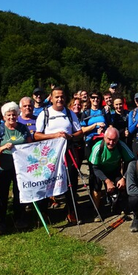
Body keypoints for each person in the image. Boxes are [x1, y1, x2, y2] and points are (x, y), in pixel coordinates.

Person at [34, 86, 83, 222]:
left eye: (62, 96)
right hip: (49, 155)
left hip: (68, 152)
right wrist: (54, 136)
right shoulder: (45, 113)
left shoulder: (69, 113)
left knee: (71, 181)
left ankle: (71, 211)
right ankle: (44, 212)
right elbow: (37, 136)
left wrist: (70, 136)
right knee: (47, 181)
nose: (59, 99)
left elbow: (79, 132)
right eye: (57, 97)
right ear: (52, 98)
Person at [0, 102, 32, 234]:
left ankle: (19, 218)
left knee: (19, 193)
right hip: (4, 167)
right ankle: (1, 221)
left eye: (14, 115)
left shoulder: (23, 128)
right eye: (8, 115)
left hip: (20, 167)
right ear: (4, 117)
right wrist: (2, 148)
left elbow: (30, 145)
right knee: (2, 195)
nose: (11, 117)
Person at [88, 127, 135, 220]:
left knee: (121, 185)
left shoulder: (121, 146)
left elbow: (132, 161)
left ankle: (119, 206)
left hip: (113, 169)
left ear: (118, 139)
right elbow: (94, 167)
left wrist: (124, 178)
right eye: (109, 139)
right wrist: (107, 181)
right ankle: (96, 211)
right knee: (96, 187)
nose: (111, 143)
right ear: (104, 138)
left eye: (114, 140)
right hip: (99, 170)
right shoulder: (98, 147)